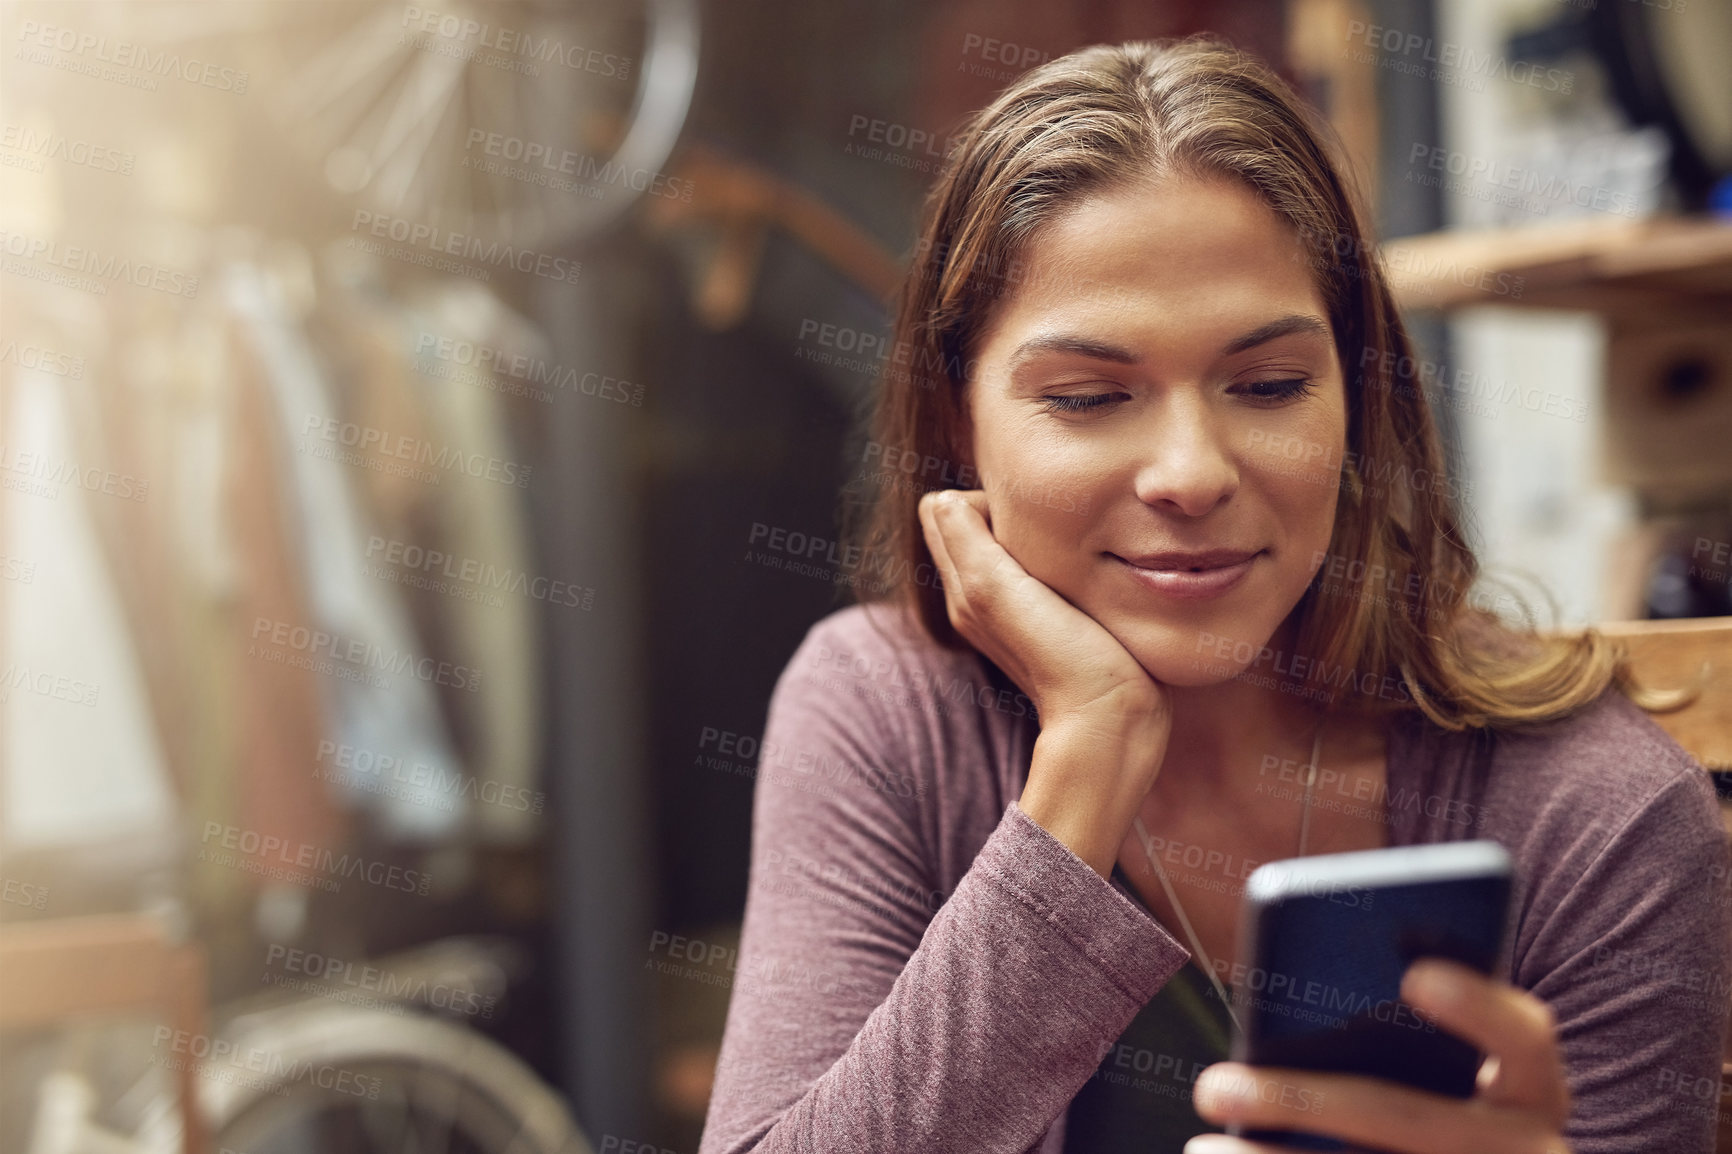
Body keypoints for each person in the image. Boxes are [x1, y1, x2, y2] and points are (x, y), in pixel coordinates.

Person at [697, 35, 1730, 1154]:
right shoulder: (882, 711)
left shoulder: (1599, 816)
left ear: (1357, 398)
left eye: (1269, 384)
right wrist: (1087, 759)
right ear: (958, 422)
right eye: (1092, 396)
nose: (1189, 472)